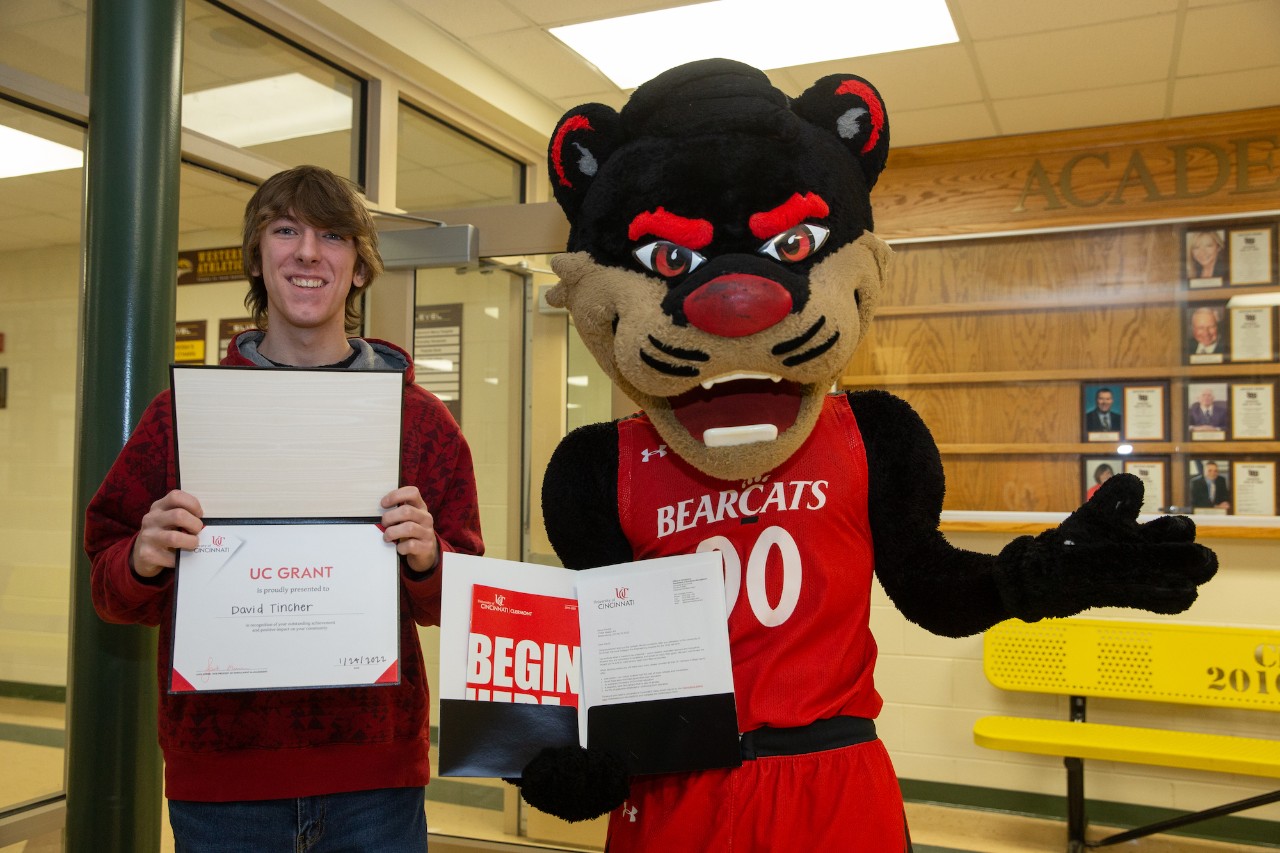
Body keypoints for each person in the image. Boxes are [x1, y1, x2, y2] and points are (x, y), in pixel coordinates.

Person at [84, 165, 484, 852]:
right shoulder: (182, 418)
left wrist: (428, 558)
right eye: (285, 229)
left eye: (332, 235)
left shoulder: (419, 422)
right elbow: (109, 585)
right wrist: (142, 560)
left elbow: (463, 595)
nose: (307, 252)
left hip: (376, 783)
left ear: (359, 268)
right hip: (223, 785)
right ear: (258, 256)